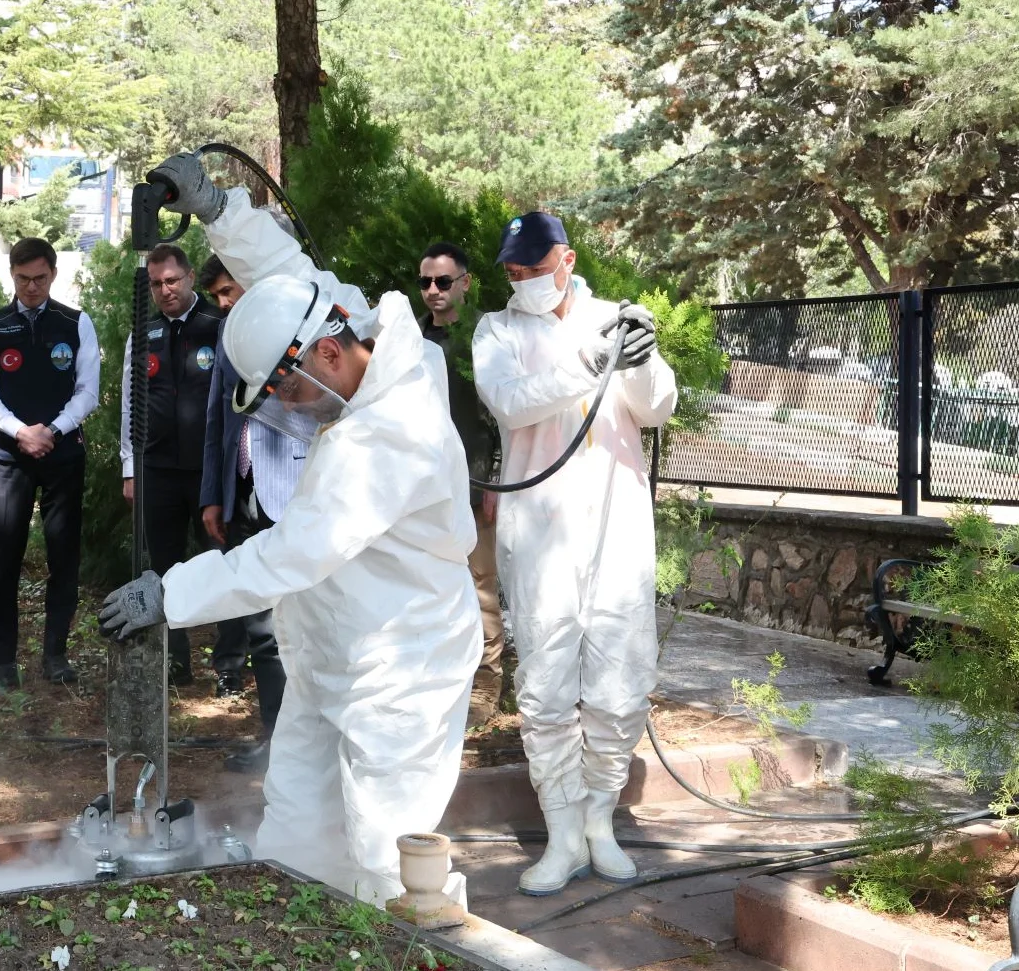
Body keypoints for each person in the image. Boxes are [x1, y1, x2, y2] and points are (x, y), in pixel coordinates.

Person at [99, 153, 481, 904]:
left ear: (328, 357)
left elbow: (290, 551)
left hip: (400, 669)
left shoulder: (391, 433)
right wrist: (217, 208)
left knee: (385, 860)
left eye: (289, 393)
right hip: (330, 652)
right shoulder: (358, 332)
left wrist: (172, 593)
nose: (294, 411)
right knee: (294, 839)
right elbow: (288, 270)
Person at [471, 212, 674, 895]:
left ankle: (598, 822)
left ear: (567, 258)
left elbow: (657, 408)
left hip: (615, 527)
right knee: (547, 688)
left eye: (534, 266)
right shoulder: (497, 330)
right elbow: (508, 400)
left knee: (619, 685)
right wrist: (586, 362)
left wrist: (640, 361)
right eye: (513, 270)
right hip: (538, 537)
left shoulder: (615, 317)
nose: (522, 280)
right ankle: (559, 833)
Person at [0, 237, 101, 689]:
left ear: (53, 275)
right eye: (23, 279)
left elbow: (87, 390)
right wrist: (22, 431)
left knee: (63, 556)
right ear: (12, 275)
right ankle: (2, 661)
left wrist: (53, 430)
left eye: (40, 278)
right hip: (11, 454)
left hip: (62, 454)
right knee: (5, 556)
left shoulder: (76, 323)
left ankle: (56, 655)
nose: (31, 287)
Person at [196, 256, 302, 773]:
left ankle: (305, 743)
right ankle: (275, 737)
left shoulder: (294, 325)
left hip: (294, 491)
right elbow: (218, 415)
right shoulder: (226, 338)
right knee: (260, 625)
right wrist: (212, 494)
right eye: (216, 295)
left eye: (230, 290)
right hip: (243, 491)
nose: (224, 303)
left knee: (300, 625)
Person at [117, 243, 232, 690]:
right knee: (166, 569)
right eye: (155, 284)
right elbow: (131, 403)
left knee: (222, 567)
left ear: (187, 278)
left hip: (209, 472)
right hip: (157, 469)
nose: (164, 291)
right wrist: (130, 467)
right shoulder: (143, 334)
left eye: (171, 281)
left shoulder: (217, 325)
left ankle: (228, 666)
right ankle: (175, 661)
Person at [417, 242, 507, 727]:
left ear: (465, 283)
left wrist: (494, 482)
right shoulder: (412, 341)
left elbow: (500, 417)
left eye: (443, 281)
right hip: (427, 489)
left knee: (480, 586)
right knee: (431, 587)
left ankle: (488, 684)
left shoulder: (485, 338)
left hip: (475, 483)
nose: (433, 291)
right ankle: (442, 681)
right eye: (425, 282)